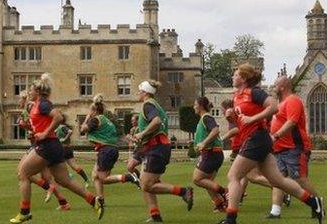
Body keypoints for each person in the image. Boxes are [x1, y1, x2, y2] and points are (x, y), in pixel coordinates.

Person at [218, 64, 323, 224]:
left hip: (256, 139)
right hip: (257, 140)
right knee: (277, 181)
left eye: (236, 74)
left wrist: (253, 119)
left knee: (233, 176)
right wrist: (231, 117)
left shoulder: (254, 92)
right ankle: (313, 202)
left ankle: (230, 219)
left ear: (244, 78)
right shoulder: (237, 96)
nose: (233, 76)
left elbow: (273, 106)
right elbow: (242, 122)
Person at [10, 73, 103, 223]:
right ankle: (93, 201)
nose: (29, 92)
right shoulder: (36, 106)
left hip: (47, 146)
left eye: (31, 89)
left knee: (23, 174)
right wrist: (28, 126)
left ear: (38, 92)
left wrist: (45, 133)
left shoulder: (43, 103)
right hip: (53, 146)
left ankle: (24, 211)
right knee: (65, 181)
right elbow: (41, 125)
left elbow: (58, 117)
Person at [131, 80, 193, 223]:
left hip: (156, 148)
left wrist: (141, 134)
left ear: (146, 92)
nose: (138, 93)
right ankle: (155, 215)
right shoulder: (155, 105)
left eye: (139, 90)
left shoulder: (148, 105)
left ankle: (184, 192)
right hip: (155, 148)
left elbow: (156, 121)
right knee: (144, 183)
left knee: (147, 184)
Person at [267, 76, 319, 218]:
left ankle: (318, 205)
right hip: (280, 149)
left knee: (300, 179)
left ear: (282, 86)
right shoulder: (281, 103)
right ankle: (275, 212)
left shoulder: (293, 100)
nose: (273, 87)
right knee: (278, 179)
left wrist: (275, 136)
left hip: (295, 147)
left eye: (275, 85)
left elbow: (291, 122)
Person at [81, 94, 140, 203]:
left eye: (90, 111)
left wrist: (86, 119)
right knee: (95, 175)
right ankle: (101, 199)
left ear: (94, 111)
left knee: (103, 178)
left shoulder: (95, 120)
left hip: (105, 151)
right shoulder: (107, 121)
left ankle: (129, 177)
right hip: (111, 149)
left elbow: (83, 129)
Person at [17, 90, 69, 210]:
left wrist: (29, 128)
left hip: (40, 146)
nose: (18, 101)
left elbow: (38, 126)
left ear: (25, 99)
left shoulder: (31, 107)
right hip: (39, 144)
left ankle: (48, 189)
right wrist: (27, 127)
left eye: (20, 98)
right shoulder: (27, 109)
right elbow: (34, 127)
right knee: (46, 176)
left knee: (23, 172)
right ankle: (63, 202)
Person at [192, 97, 227, 212]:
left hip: (211, 154)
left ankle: (225, 192)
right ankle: (220, 205)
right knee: (208, 183)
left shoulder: (206, 117)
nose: (194, 107)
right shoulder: (203, 118)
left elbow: (215, 130)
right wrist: (197, 143)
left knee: (197, 179)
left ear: (201, 106)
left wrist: (204, 143)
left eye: (195, 104)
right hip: (214, 154)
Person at [56, 114, 91, 188]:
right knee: (74, 166)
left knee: (57, 167)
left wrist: (64, 139)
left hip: (62, 149)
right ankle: (86, 179)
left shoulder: (61, 127)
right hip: (68, 149)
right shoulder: (59, 127)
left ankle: (65, 179)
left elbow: (70, 132)